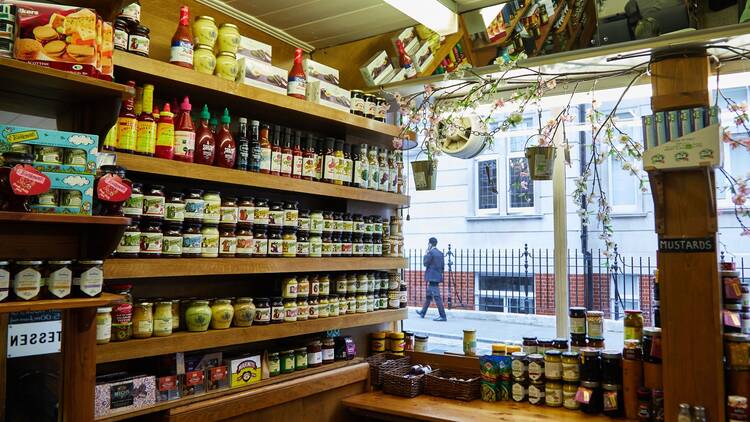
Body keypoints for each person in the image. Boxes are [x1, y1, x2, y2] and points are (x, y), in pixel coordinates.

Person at [416, 237, 447, 321]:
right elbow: (443, 267)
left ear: (430, 244)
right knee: (429, 296)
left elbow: (425, 263)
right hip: (437, 277)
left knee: (437, 297)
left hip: (432, 278)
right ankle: (423, 312)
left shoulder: (430, 253)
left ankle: (443, 316)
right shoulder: (440, 253)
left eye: (428, 244)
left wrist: (426, 254)